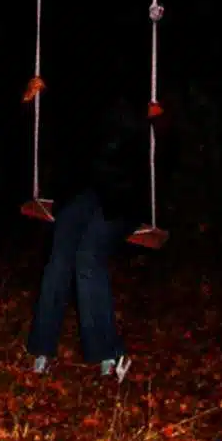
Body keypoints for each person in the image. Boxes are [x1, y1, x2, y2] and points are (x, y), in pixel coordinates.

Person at [26, 98, 164, 382]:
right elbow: (55, 132)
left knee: (88, 257)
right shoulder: (87, 100)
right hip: (84, 193)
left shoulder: (135, 102)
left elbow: (161, 148)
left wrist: (158, 122)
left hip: (123, 198)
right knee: (59, 258)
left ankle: (109, 354)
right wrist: (31, 104)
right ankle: (42, 349)